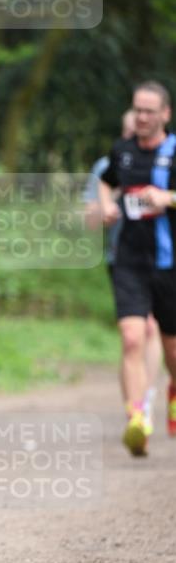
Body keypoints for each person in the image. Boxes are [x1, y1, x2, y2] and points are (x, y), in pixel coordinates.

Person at [97, 81, 176, 456]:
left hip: (169, 265)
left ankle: (172, 388)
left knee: (172, 351)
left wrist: (168, 198)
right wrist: (106, 206)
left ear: (165, 114)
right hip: (129, 262)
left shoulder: (174, 153)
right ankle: (137, 419)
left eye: (149, 111)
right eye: (137, 110)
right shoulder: (123, 151)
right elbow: (104, 181)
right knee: (132, 338)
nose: (142, 117)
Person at [83, 108, 162, 432]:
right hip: (123, 258)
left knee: (155, 330)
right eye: (130, 134)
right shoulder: (107, 167)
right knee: (134, 336)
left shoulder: (164, 161)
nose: (136, 139)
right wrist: (106, 205)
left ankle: (151, 394)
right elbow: (87, 219)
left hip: (162, 259)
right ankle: (137, 411)